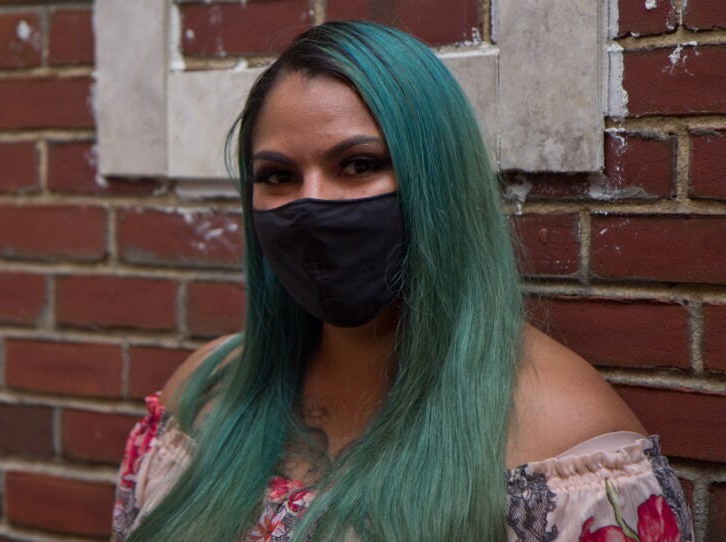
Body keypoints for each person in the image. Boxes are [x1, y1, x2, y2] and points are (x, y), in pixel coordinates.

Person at [112, 21, 693, 541]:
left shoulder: (568, 445)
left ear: (436, 181)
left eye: (359, 164)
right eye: (278, 175)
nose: (311, 203)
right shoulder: (207, 398)